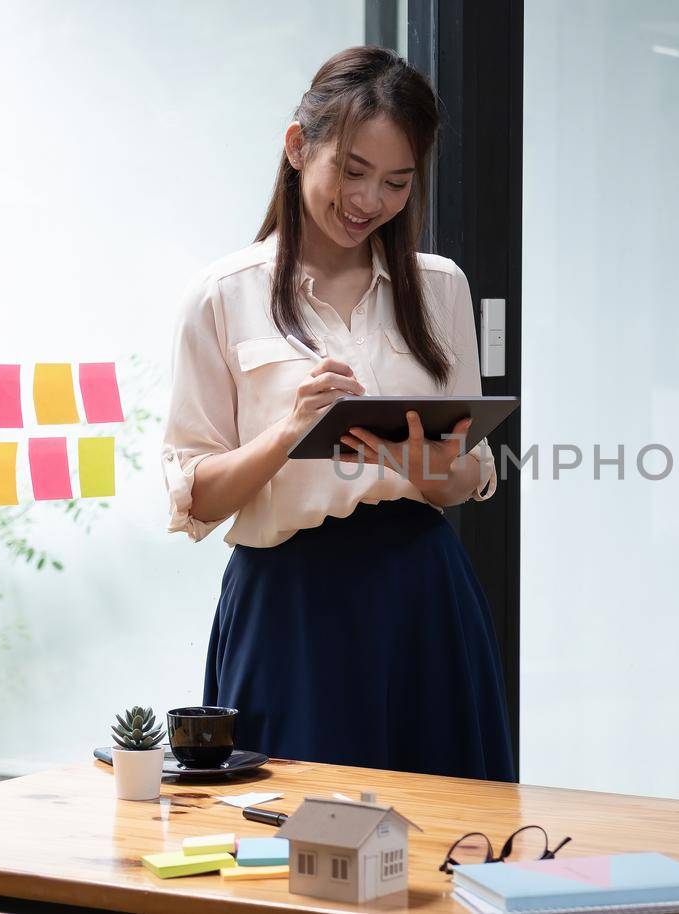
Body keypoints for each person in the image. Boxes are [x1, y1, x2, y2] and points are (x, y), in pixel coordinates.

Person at [160, 46, 513, 781]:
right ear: (298, 147)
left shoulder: (440, 288)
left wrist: (429, 468)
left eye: (395, 181)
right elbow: (197, 497)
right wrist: (288, 433)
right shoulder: (223, 293)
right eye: (352, 171)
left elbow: (461, 483)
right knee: (286, 837)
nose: (369, 201)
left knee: (447, 832)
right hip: (286, 601)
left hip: (423, 594)